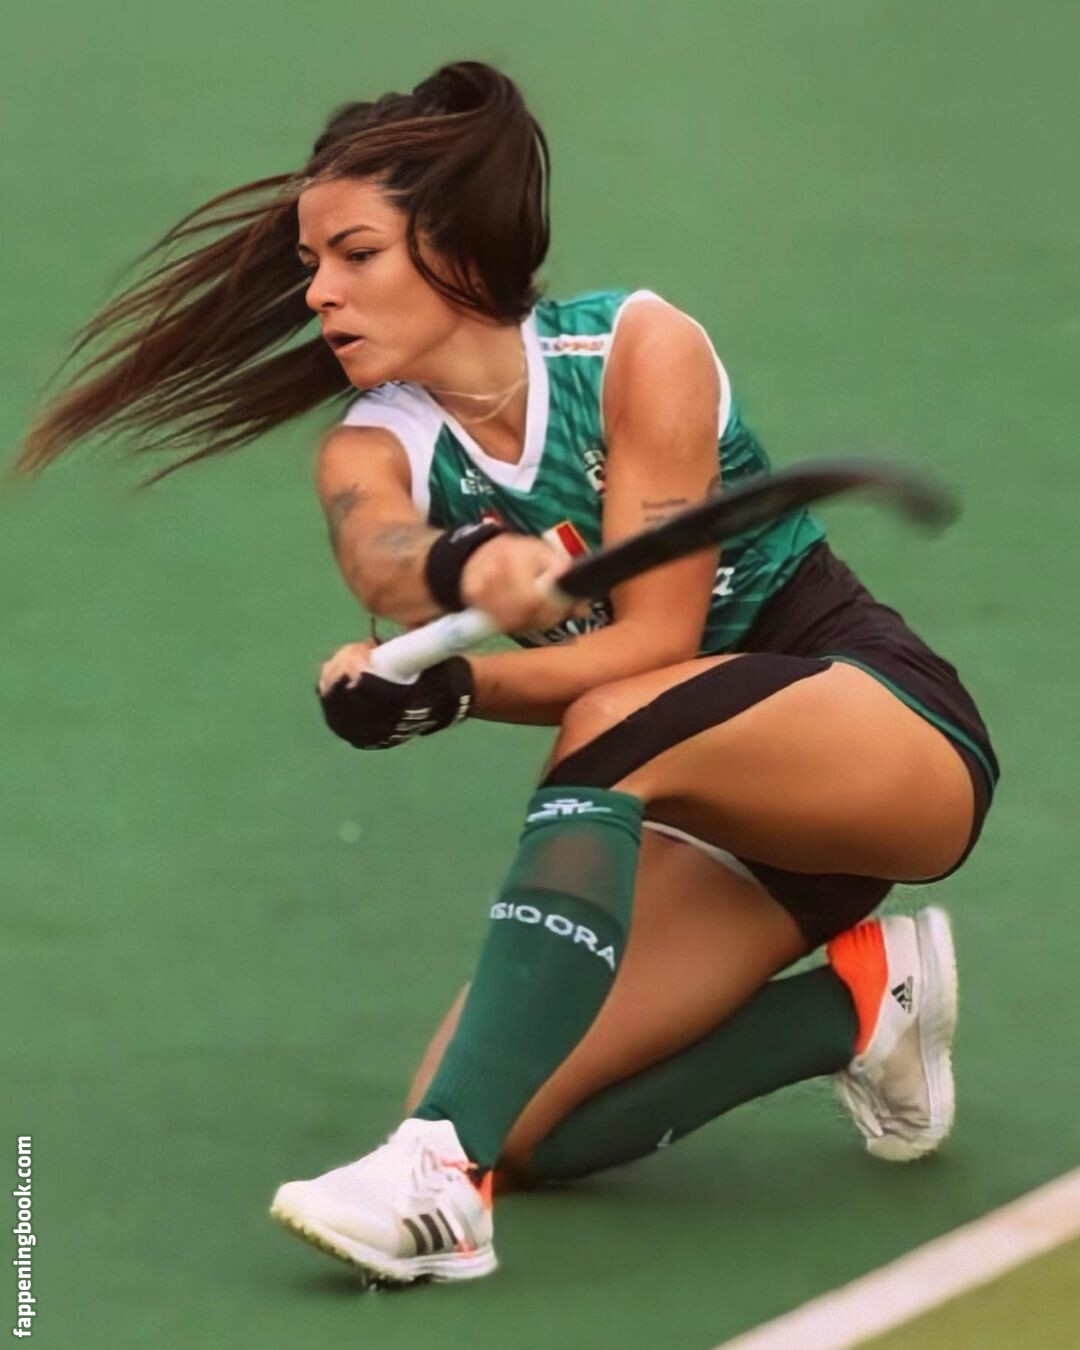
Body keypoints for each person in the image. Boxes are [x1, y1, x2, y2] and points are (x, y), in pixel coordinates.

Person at [19, 61, 999, 1289]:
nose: (318, 292)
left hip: (882, 734)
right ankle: (862, 1003)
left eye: (354, 255)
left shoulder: (635, 350)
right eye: (311, 264)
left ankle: (436, 1179)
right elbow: (379, 551)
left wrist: (458, 690)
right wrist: (465, 571)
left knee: (610, 721)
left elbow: (658, 649)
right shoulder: (374, 443)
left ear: (455, 249)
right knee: (519, 1118)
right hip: (714, 818)